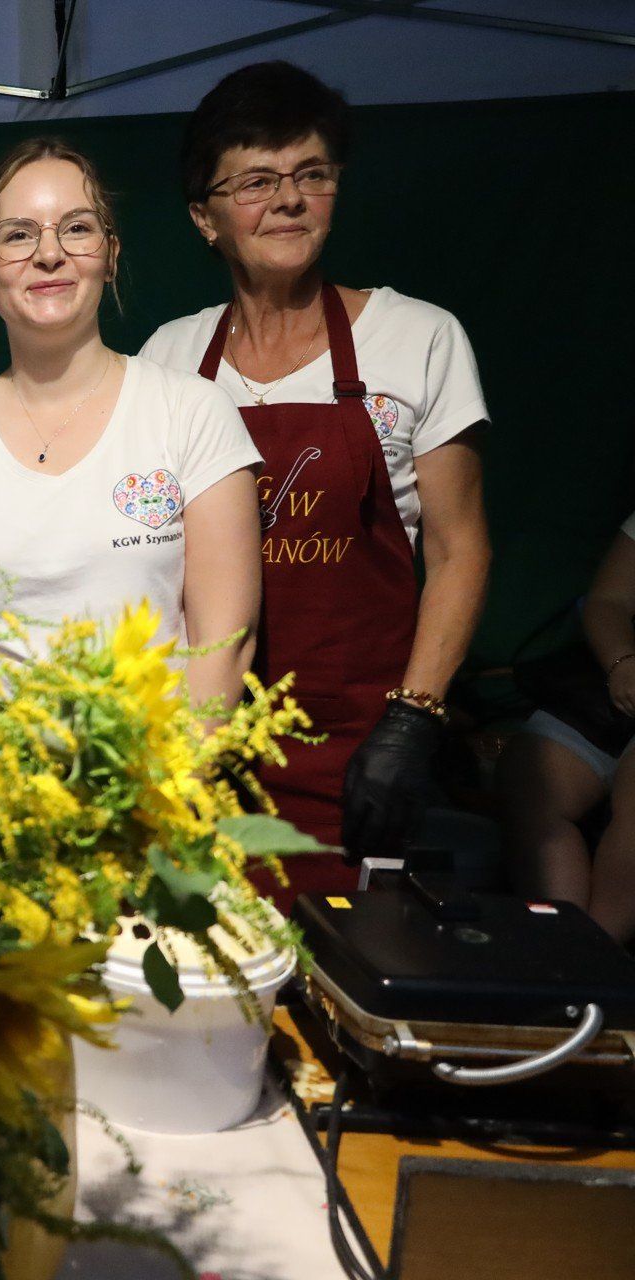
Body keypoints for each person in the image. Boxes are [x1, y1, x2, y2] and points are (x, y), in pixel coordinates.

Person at [135, 62, 492, 899]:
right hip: (202, 749)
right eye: (256, 180)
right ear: (204, 217)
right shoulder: (169, 360)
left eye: (311, 175)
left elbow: (460, 546)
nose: (288, 200)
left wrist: (414, 719)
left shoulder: (420, 338)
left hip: (360, 754)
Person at [0, 138, 262, 712]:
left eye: (76, 229)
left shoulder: (193, 413)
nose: (49, 254)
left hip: (159, 782)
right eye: (18, 234)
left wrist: (168, 792)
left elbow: (224, 651)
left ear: (110, 255)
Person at [497, 512, 635, 943]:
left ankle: (593, 961)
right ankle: (559, 944)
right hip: (615, 690)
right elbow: (607, 601)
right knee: (531, 774)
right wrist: (622, 663)